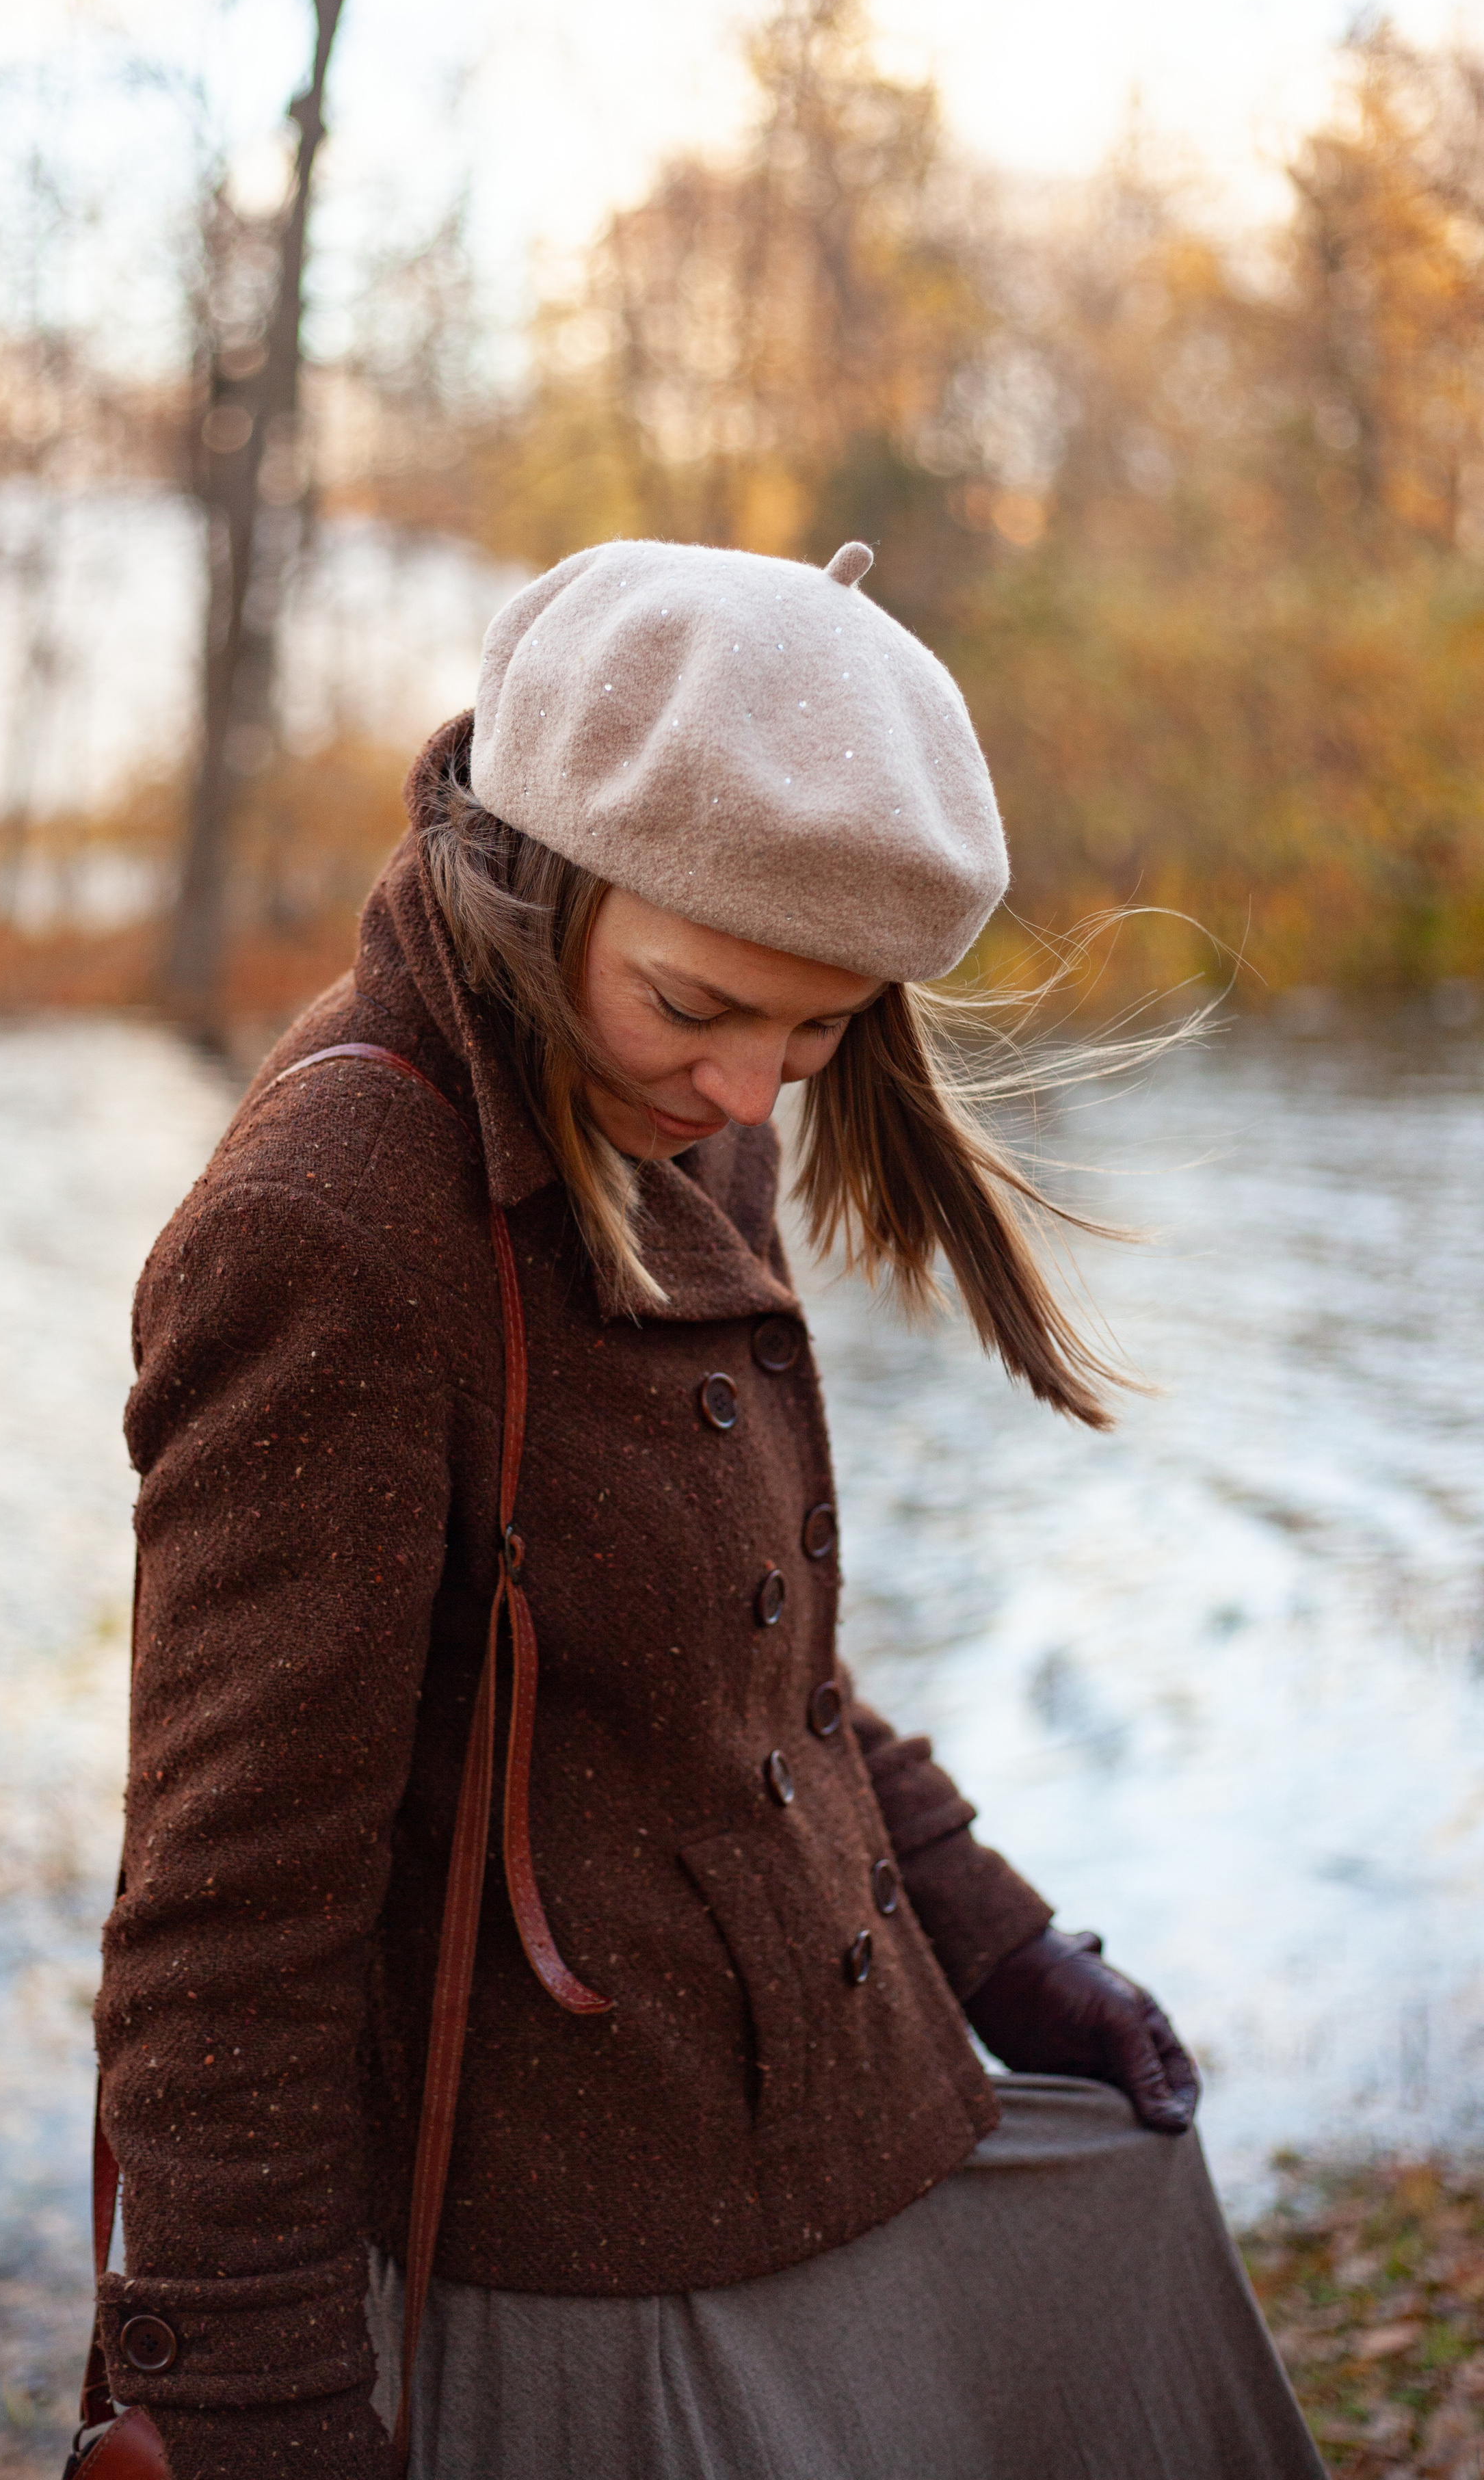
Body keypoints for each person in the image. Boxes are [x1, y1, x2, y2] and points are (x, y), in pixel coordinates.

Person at [89, 540, 1323, 2479]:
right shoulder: (327, 1229)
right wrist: (259, 2408)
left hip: (852, 2117)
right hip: (583, 2267)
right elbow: (225, 1916)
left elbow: (749, 1667)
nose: (756, 1092)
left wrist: (1003, 1946)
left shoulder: (663, 1112)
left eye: (821, 1031)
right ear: (544, 878)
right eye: (703, 1002)